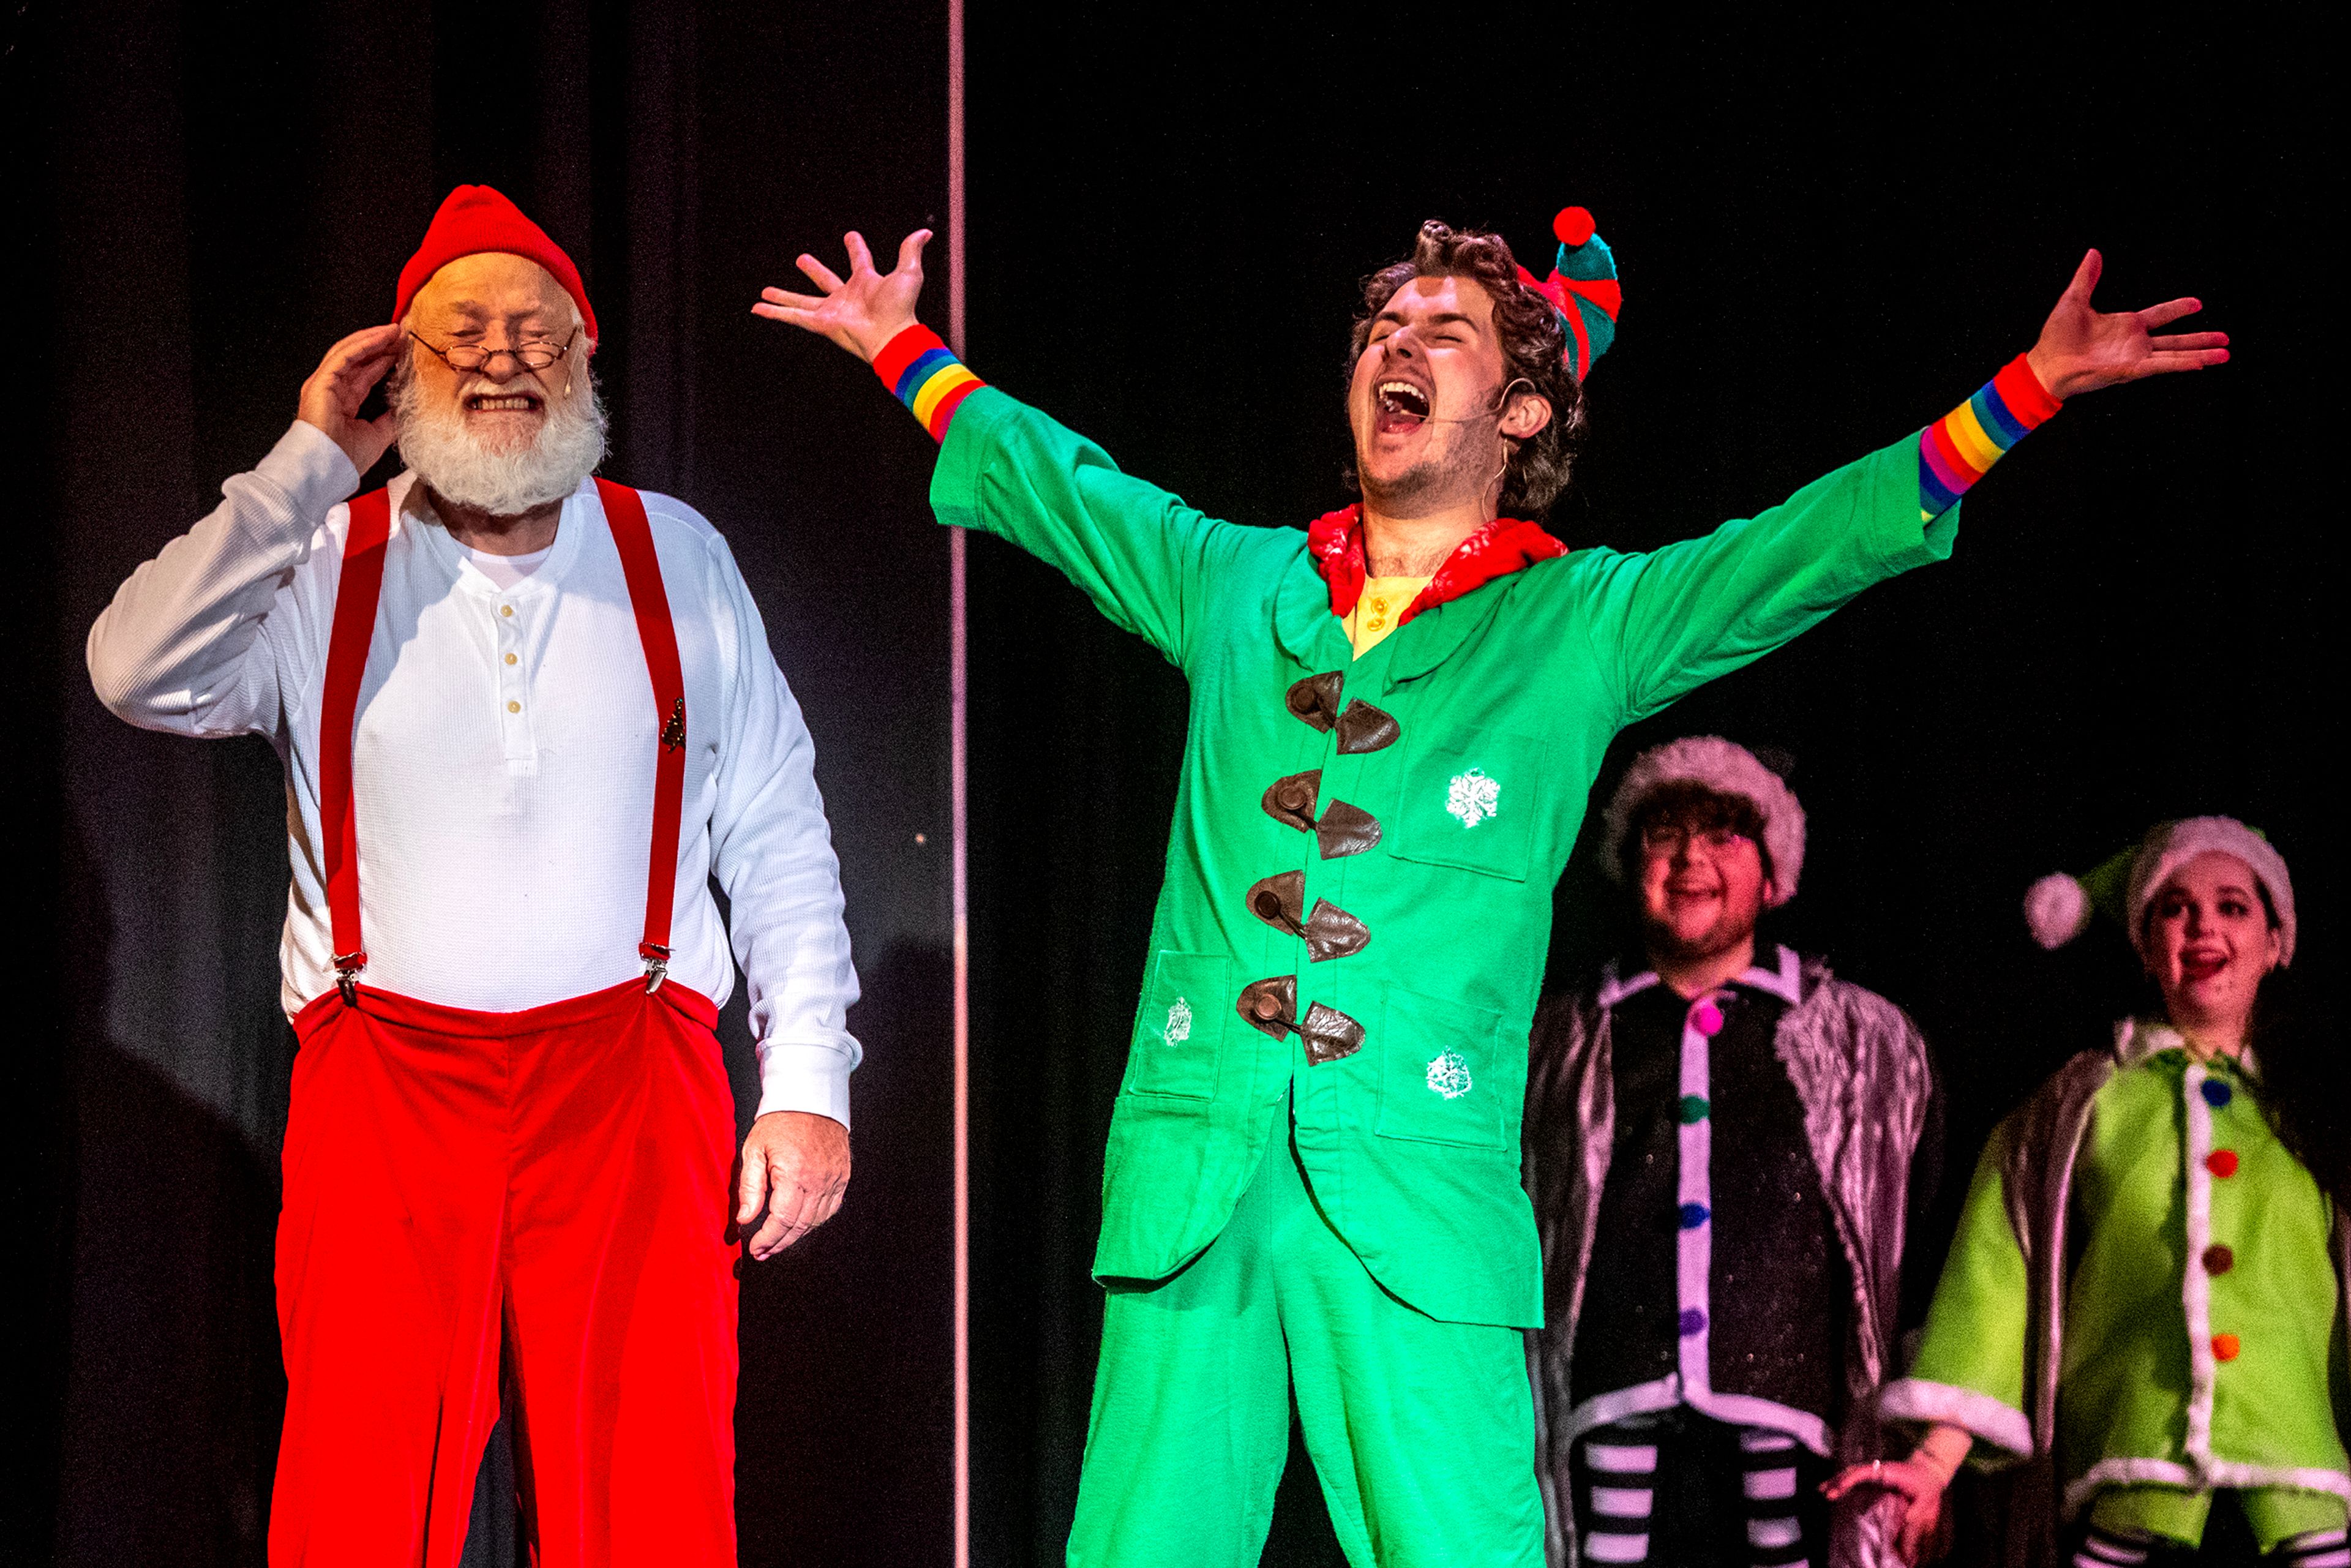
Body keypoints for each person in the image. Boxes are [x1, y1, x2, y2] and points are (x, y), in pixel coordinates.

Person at [757, 206, 2224, 1568]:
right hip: (1193, 1172)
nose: (1395, 343)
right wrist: (903, 346)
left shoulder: (1576, 623)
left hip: (1415, 1187)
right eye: (1380, 328)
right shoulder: (1233, 581)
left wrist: (2018, 391)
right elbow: (1063, 488)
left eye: (1439, 329)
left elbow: (1800, 547)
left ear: (1516, 410)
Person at [87, 185, 862, 1566]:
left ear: (585, 362)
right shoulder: (319, 555)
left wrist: (806, 1082)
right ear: (399, 369)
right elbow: (134, 670)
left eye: (538, 330)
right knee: (356, 1505)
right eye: (462, 332)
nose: (505, 355)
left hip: (631, 1086)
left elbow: (777, 825)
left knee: (655, 1507)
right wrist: (310, 456)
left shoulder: (677, 554)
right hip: (382, 1090)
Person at [1832, 819, 2349, 1567]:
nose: (2204, 923)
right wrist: (1937, 1460)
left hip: (2301, 1477)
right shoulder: (2081, 1104)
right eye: (2176, 907)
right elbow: (2000, 1275)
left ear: (2278, 941)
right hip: (2130, 1467)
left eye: (2234, 905)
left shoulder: (2315, 1110)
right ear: (2145, 947)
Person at [1526, 737, 1940, 1568]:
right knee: (1604, 1547)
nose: (1689, 857)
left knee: (1782, 1540)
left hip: (1783, 1368)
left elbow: (1901, 1211)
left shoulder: (1847, 1033)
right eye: (1664, 833)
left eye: (1723, 834)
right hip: (1617, 1363)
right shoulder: (1569, 1036)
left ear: (1774, 872)